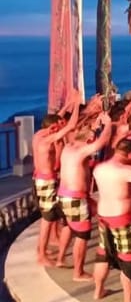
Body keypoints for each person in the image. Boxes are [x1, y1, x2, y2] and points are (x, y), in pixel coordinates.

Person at [92, 137, 131, 301]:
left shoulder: (100, 168)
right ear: (130, 154)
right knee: (130, 260)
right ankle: (129, 299)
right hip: (123, 219)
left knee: (104, 254)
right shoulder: (125, 171)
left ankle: (98, 291)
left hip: (104, 217)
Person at [55, 112, 111, 282]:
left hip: (64, 195)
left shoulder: (69, 146)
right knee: (82, 234)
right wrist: (108, 124)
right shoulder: (81, 150)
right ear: (88, 141)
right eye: (92, 139)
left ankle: (60, 259)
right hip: (74, 198)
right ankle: (78, 272)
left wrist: (93, 125)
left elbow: (78, 129)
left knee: (69, 227)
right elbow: (102, 142)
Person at [34, 102, 79, 266]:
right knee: (47, 219)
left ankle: (42, 251)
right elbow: (71, 125)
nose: (60, 129)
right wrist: (75, 107)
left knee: (49, 217)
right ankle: (41, 255)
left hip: (43, 179)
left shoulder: (38, 135)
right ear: (52, 127)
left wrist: (69, 104)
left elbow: (55, 120)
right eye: (57, 127)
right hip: (46, 181)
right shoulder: (47, 140)